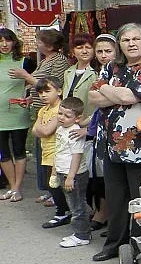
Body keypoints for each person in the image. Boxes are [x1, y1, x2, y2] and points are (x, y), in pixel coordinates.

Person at [88, 23, 141, 262]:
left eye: (136, 39)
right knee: (115, 197)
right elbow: (93, 98)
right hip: (110, 145)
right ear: (119, 45)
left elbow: (130, 96)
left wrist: (106, 89)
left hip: (140, 145)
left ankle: (137, 248)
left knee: (140, 198)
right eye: (125, 40)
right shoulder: (112, 66)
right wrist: (116, 93)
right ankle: (114, 245)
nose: (131, 43)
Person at [8, 28, 69, 204]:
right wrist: (28, 99)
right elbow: (40, 87)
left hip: (52, 111)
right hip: (39, 110)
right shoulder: (44, 60)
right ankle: (48, 189)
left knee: (50, 153)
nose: (37, 44)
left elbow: (51, 86)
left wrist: (25, 76)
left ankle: (56, 192)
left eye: (39, 41)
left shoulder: (59, 61)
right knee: (41, 151)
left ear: (49, 45)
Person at [0, 28, 36, 202]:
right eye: (0, 41)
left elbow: (38, 83)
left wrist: (28, 95)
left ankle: (16, 188)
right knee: (3, 153)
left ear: (14, 42)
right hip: (0, 116)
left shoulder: (25, 61)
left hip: (17, 114)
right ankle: (12, 185)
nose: (4, 44)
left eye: (7, 40)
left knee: (19, 150)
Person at [85, 34, 117, 231]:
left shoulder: (122, 71)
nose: (104, 55)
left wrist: (106, 95)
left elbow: (126, 97)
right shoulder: (101, 72)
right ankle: (104, 212)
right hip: (100, 128)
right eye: (100, 52)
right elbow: (93, 99)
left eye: (108, 51)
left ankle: (111, 216)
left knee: (113, 178)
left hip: (119, 131)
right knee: (99, 175)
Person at [31, 77, 70, 228]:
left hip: (58, 152)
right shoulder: (43, 109)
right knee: (52, 184)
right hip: (46, 151)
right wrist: (41, 128)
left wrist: (41, 127)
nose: (43, 95)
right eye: (40, 92)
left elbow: (45, 130)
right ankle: (63, 210)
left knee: (55, 184)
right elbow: (35, 131)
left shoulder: (61, 110)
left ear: (59, 91)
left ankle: (62, 212)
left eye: (48, 91)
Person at [54, 97, 92, 248]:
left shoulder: (75, 132)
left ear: (78, 118)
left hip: (74, 174)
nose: (62, 118)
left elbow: (76, 155)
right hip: (62, 171)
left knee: (77, 206)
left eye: (67, 116)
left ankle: (81, 235)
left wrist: (70, 177)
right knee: (74, 203)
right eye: (60, 114)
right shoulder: (61, 128)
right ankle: (81, 231)